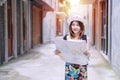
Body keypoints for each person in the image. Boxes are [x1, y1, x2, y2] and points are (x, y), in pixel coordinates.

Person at [54, 15, 91, 80]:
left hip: (82, 66)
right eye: (73, 25)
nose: (75, 27)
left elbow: (88, 54)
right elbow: (63, 53)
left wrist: (88, 54)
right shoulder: (66, 37)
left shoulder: (85, 38)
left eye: (78, 25)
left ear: (81, 27)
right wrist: (58, 52)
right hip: (69, 65)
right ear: (70, 26)